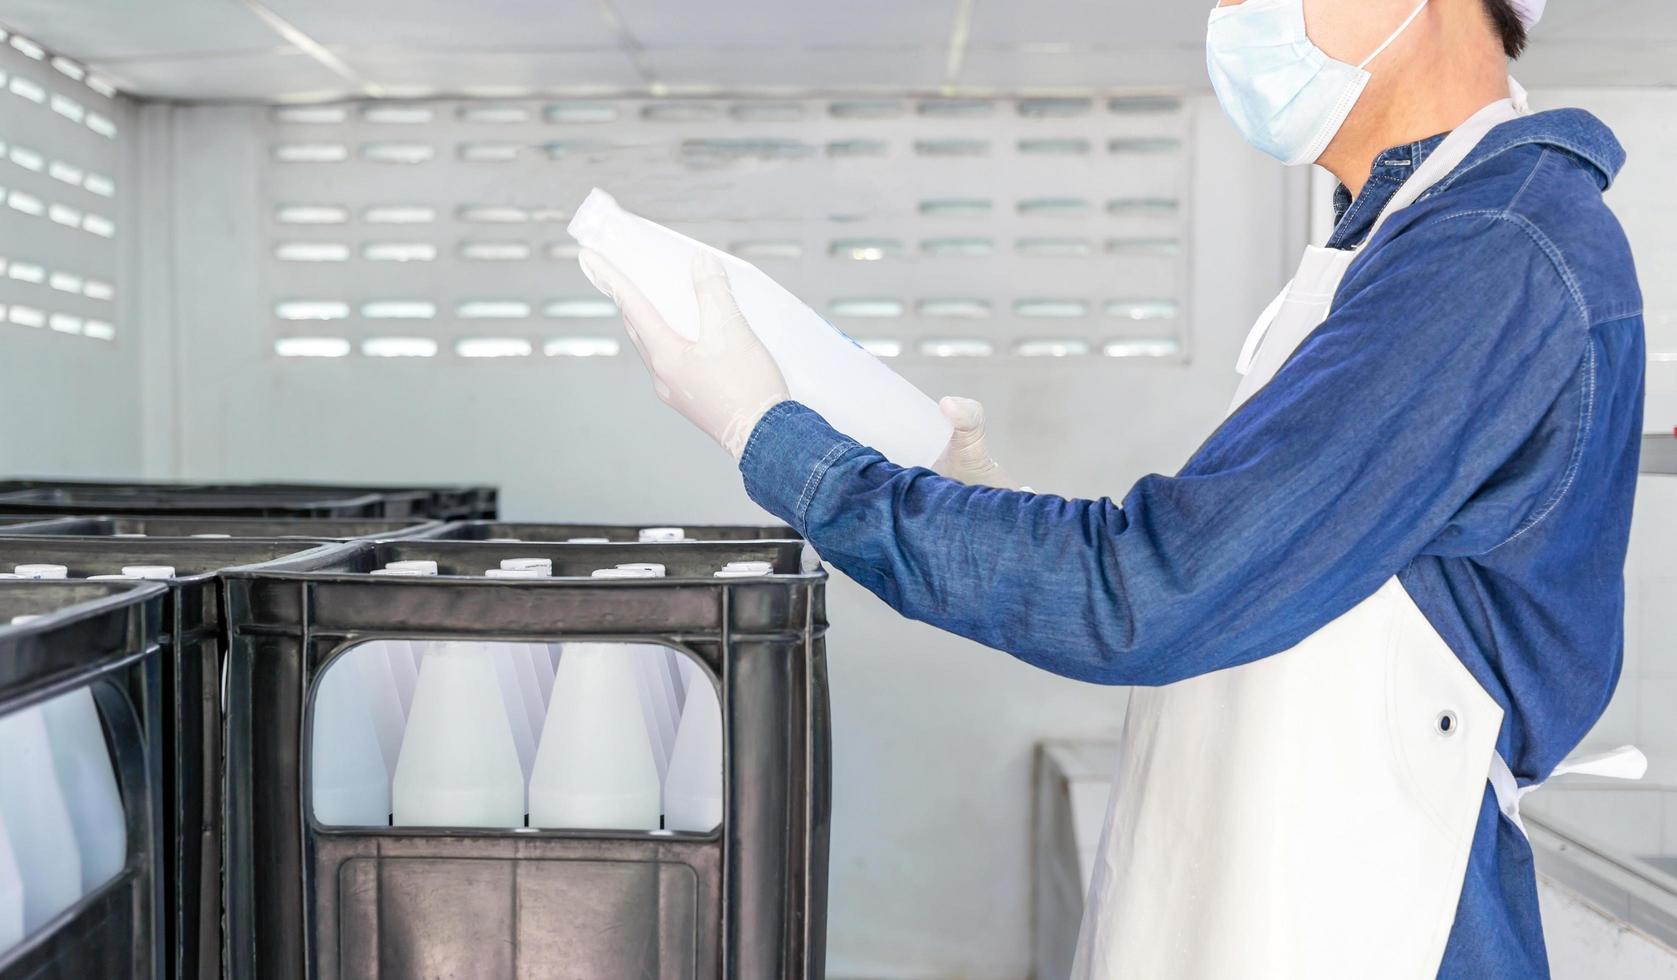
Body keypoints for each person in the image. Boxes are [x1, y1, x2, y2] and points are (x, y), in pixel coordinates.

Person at [580, 0, 1648, 974]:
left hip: (1385, 919)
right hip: (1284, 899)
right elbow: (1232, 560)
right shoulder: (1396, 236)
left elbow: (1150, 590)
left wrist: (777, 443)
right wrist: (976, 490)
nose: (1233, 19)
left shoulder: (1490, 248)